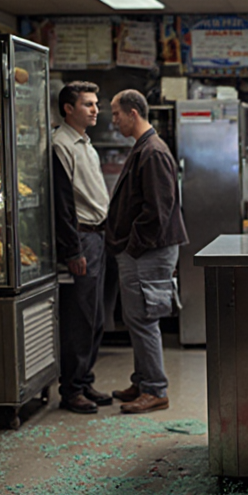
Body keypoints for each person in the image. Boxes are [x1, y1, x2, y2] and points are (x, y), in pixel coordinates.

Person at [106, 89, 188, 414]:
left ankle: (155, 389)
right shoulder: (145, 147)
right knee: (135, 317)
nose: (113, 121)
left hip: (147, 252)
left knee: (143, 319)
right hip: (143, 251)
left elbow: (158, 209)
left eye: (116, 114)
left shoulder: (152, 151)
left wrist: (132, 246)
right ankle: (142, 380)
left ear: (133, 114)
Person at [52, 81, 112, 414]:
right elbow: (62, 204)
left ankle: (85, 380)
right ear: (68, 109)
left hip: (98, 236)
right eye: (88, 104)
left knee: (96, 317)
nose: (95, 110)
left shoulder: (85, 144)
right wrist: (72, 250)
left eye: (96, 104)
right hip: (82, 237)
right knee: (80, 318)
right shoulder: (61, 144)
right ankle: (71, 389)